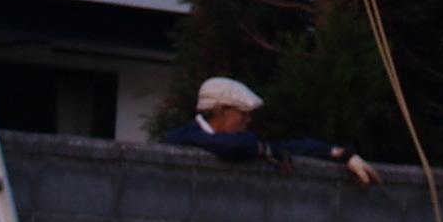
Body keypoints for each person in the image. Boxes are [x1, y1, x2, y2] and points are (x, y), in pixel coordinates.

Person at [158, 75, 377, 186]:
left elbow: (292, 147)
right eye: (243, 114)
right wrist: (262, 149)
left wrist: (341, 154)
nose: (248, 121)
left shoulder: (233, 141)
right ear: (223, 111)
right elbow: (239, 145)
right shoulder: (181, 137)